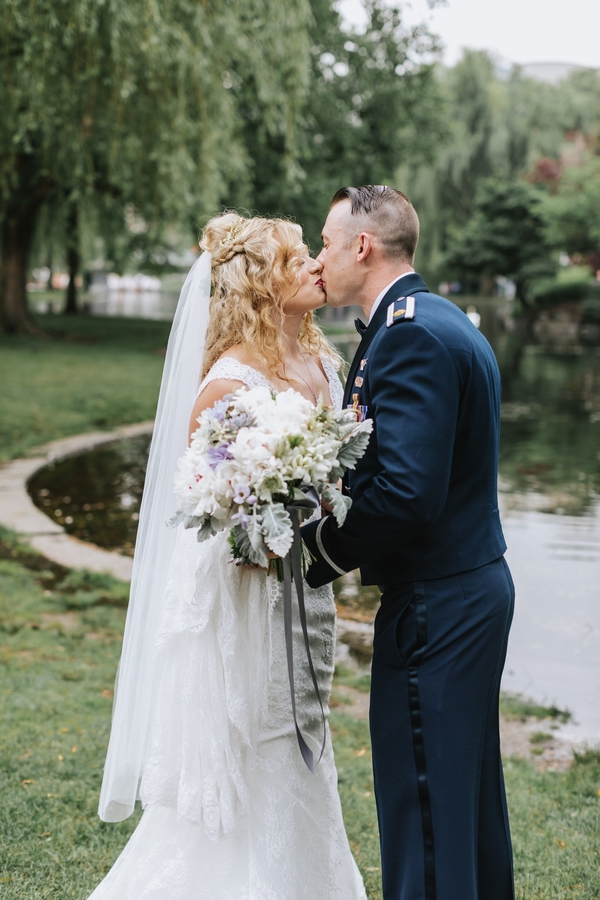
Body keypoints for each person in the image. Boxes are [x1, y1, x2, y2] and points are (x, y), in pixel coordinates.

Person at [89, 213, 367, 900]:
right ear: (260, 285)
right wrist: (267, 518)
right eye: (294, 258)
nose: (311, 265)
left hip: (310, 591)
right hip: (249, 604)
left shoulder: (326, 364)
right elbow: (203, 507)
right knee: (263, 742)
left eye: (310, 253)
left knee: (307, 736)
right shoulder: (230, 384)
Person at [302, 185, 515, 900]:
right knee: (462, 800)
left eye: (327, 243)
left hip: (438, 599)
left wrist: (318, 550)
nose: (319, 258)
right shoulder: (433, 319)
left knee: (422, 801)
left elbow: (407, 491)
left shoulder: (411, 335)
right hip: (464, 584)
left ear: (362, 246)